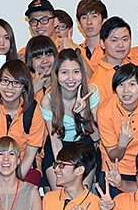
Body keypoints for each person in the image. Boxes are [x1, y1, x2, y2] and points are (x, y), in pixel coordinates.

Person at [97, 64, 138, 193]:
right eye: (121, 85)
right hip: (115, 169)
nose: (126, 90)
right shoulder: (105, 111)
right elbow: (112, 156)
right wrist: (122, 145)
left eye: (132, 84)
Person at [0, 60, 46, 181]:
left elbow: (30, 155)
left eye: (16, 83)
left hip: (24, 166)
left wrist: (13, 183)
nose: (9, 87)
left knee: (24, 190)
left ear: (24, 87)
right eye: (5, 81)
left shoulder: (33, 110)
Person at [40, 49, 100, 190]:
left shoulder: (91, 92)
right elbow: (55, 141)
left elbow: (96, 136)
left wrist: (83, 113)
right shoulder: (48, 101)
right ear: (56, 74)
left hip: (84, 146)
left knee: (80, 194)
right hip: (58, 147)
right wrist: (62, 168)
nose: (71, 78)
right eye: (65, 72)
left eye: (76, 72)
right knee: (61, 193)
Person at [88, 16, 134, 103]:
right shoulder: (98, 80)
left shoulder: (137, 64)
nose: (120, 45)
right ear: (102, 43)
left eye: (125, 39)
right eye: (114, 40)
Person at [75, 0, 108, 71]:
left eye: (94, 16)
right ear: (79, 24)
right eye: (84, 17)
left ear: (104, 21)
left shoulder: (111, 51)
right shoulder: (76, 51)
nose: (89, 22)